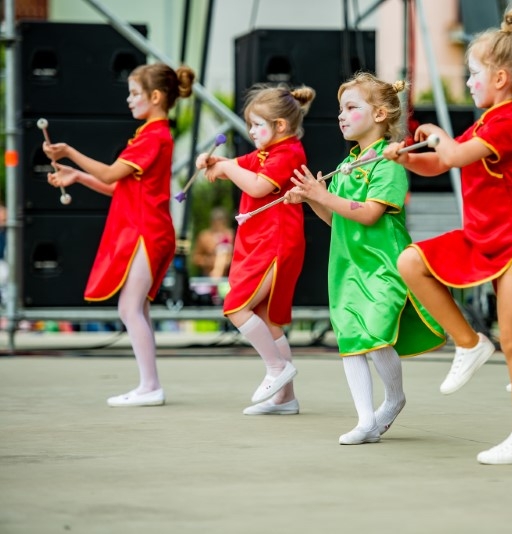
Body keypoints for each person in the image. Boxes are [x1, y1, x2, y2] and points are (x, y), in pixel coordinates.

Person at [385, 4, 512, 464]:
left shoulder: (508, 122)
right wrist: (409, 158)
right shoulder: (487, 120)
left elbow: (452, 155)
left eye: (474, 73)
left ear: (501, 78)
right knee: (411, 261)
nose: (469, 81)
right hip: (483, 238)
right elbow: (441, 162)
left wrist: (435, 134)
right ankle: (470, 342)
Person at [286, 72, 446, 445]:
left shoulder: (389, 163)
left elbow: (370, 214)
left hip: (383, 264)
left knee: (374, 333)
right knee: (352, 339)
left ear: (379, 114)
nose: (341, 115)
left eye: (350, 107)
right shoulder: (348, 165)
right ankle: (365, 420)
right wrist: (313, 198)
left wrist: (323, 196)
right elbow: (336, 219)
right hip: (347, 268)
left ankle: (394, 398)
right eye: (340, 109)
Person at [43, 63, 196, 406]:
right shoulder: (150, 135)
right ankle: (149, 385)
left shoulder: (153, 136)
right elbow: (121, 189)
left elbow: (111, 175)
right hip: (149, 228)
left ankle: (150, 387)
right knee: (136, 308)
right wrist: (77, 176)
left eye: (135, 93)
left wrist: (69, 153)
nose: (129, 99)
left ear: (155, 97)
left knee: (129, 308)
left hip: (147, 231)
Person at [196, 85, 315, 415]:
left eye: (257, 125)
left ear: (280, 125)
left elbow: (258, 185)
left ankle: (277, 368)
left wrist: (226, 168)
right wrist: (215, 161)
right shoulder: (268, 152)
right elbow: (236, 165)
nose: (251, 131)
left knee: (236, 305)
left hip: (275, 242)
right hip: (262, 242)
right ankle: (285, 398)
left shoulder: (288, 153)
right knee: (265, 317)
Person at [191, 206, 234, 278]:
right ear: (211, 222)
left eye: (221, 221)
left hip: (229, 275)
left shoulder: (231, 235)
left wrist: (227, 261)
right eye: (216, 221)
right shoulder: (204, 236)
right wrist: (208, 261)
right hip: (207, 275)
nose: (218, 224)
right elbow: (195, 258)